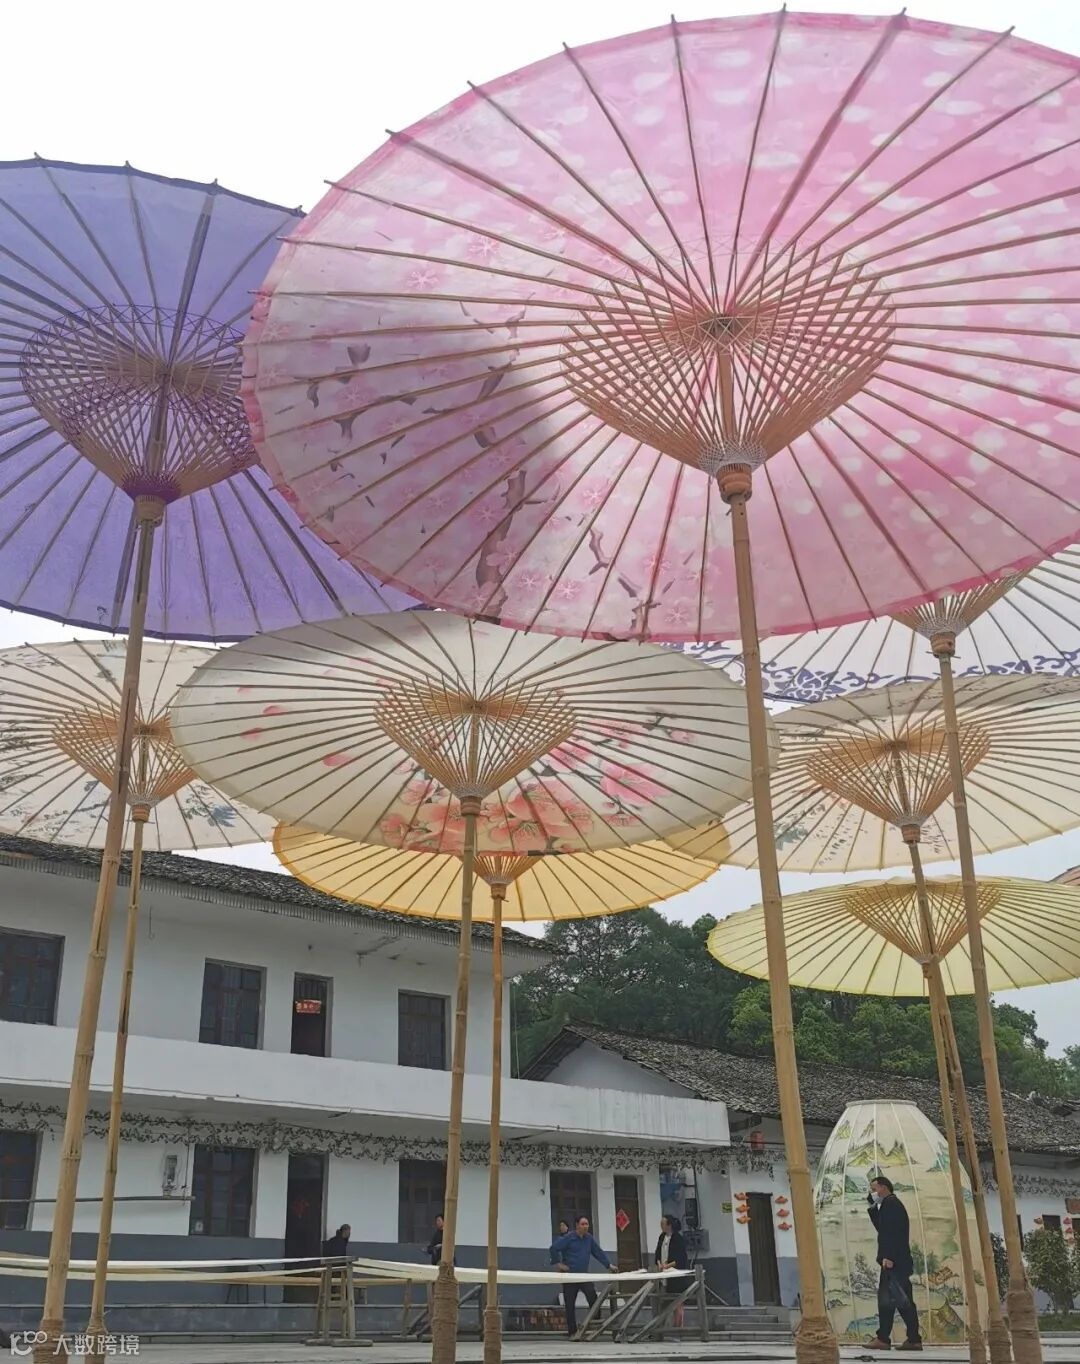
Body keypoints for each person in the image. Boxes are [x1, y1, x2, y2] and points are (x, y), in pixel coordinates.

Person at [867, 1176, 922, 1352]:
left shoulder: (892, 1205)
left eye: (874, 1189)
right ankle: (886, 1337)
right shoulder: (888, 1205)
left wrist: (889, 1256)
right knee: (889, 1301)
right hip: (894, 1261)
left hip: (894, 1262)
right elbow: (882, 1228)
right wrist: (873, 1206)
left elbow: (893, 1233)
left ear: (883, 1188)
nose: (872, 1193)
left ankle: (909, 1339)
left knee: (901, 1300)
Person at [550, 1214, 612, 1338]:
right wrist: (559, 1264)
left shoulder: (589, 1239)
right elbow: (554, 1248)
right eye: (583, 1224)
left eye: (587, 1224)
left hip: (583, 1276)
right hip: (570, 1276)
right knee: (570, 1304)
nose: (585, 1226)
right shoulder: (569, 1237)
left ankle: (594, 1323)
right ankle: (572, 1332)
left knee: (593, 1297)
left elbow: (598, 1252)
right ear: (577, 1225)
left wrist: (608, 1265)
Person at [654, 1214, 690, 1329]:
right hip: (663, 1275)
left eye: (663, 1224)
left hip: (675, 1275)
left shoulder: (678, 1238)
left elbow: (680, 1258)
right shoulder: (662, 1237)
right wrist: (659, 1264)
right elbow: (657, 1253)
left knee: (677, 1303)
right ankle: (662, 1328)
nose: (661, 1226)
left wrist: (667, 1266)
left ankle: (678, 1328)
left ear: (669, 1225)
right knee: (662, 1302)